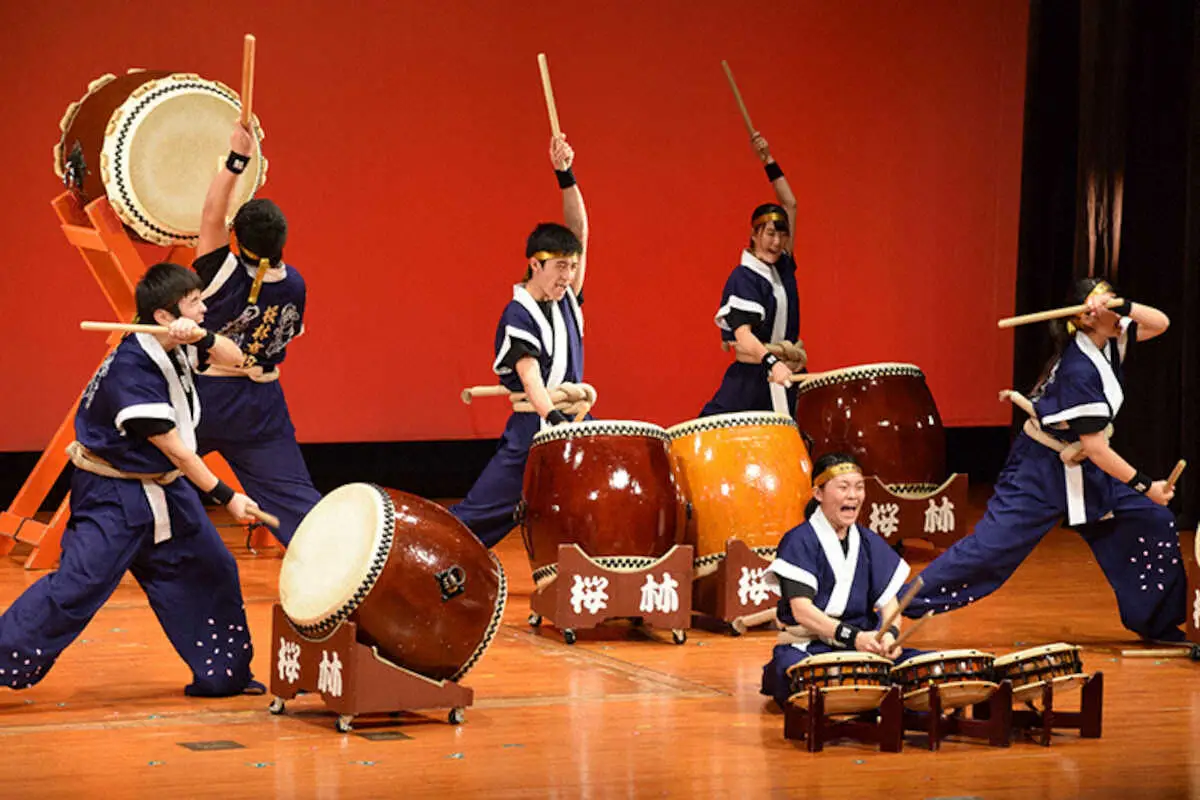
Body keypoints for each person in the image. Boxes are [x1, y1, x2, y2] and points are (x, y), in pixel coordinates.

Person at [0, 264, 266, 696]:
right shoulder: (132, 369)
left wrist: (203, 337)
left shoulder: (174, 344)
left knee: (213, 567)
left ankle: (224, 676)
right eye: (195, 302)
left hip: (166, 489)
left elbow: (240, 362)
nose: (204, 307)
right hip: (113, 497)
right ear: (163, 315)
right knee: (76, 589)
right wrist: (226, 496)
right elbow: (177, 448)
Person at [904, 279, 1186, 642]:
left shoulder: (1112, 340)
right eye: (1106, 302)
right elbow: (1097, 448)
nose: (1115, 309)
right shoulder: (1078, 368)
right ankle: (894, 605)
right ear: (1085, 318)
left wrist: (1123, 304)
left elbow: (1161, 322)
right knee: (990, 552)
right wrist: (1147, 486)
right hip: (1039, 469)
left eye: (1115, 299)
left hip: (1084, 468)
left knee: (1152, 520)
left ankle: (1157, 624)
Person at [450, 133, 588, 548]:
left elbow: (579, 228)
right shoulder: (519, 314)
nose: (568, 275)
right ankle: (427, 562)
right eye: (560, 266)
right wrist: (554, 422)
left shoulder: (566, 298)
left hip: (572, 419)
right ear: (535, 263)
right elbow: (530, 378)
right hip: (538, 426)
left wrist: (565, 174)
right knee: (477, 518)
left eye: (572, 266)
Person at [189, 121, 322, 546]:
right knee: (295, 503)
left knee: (146, 465)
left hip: (204, 398)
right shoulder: (295, 283)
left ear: (236, 237)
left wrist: (236, 160)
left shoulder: (219, 273)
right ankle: (333, 569)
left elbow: (210, 213)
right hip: (261, 405)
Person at [760, 453, 916, 709]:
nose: (853, 496)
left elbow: (891, 607)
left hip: (862, 649)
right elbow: (802, 611)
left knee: (922, 668)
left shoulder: (867, 542)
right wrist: (853, 637)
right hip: (809, 646)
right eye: (843, 487)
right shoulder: (799, 541)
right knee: (796, 675)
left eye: (859, 487)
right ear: (818, 493)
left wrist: (889, 636)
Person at [702, 130, 805, 418]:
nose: (776, 242)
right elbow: (743, 335)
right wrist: (772, 363)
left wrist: (768, 160)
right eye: (770, 234)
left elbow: (791, 205)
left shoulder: (782, 265)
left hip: (787, 373)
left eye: (782, 235)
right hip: (753, 376)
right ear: (754, 234)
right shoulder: (744, 277)